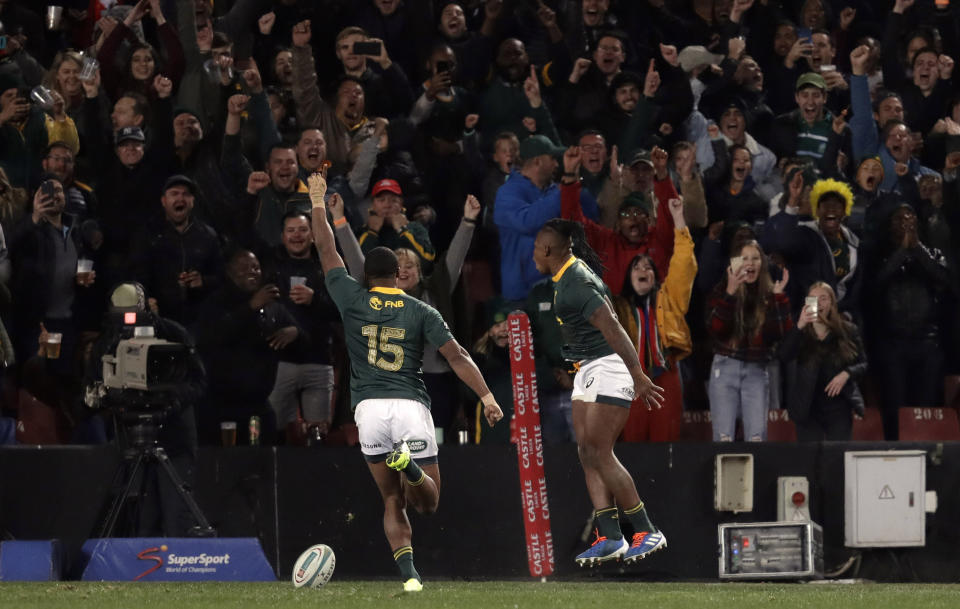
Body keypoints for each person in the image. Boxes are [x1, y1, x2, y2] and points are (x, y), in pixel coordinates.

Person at [307, 171, 502, 592]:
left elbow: (326, 248)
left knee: (391, 500)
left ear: (367, 276)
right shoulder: (420, 311)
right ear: (398, 274)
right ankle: (410, 466)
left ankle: (410, 576)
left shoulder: (351, 298)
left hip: (369, 412)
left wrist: (317, 201)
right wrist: (485, 395)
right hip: (411, 406)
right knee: (427, 502)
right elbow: (458, 356)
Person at [531, 217, 666, 567]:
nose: (533, 254)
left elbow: (614, 326)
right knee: (586, 452)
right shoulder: (564, 278)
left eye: (535, 249)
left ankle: (646, 529)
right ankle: (609, 536)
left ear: (548, 250)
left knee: (599, 451)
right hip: (585, 369)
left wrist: (637, 374)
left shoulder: (576, 281)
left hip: (609, 365)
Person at [613, 196, 697, 442]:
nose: (643, 270)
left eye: (648, 267)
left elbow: (684, 265)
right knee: (633, 443)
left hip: (665, 376)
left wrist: (679, 219)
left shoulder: (669, 299)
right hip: (629, 379)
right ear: (629, 277)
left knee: (666, 441)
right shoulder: (616, 307)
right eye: (637, 267)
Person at [706, 240, 792, 442]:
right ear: (735, 263)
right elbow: (716, 330)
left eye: (755, 258)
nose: (750, 263)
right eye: (745, 258)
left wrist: (779, 299)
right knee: (723, 438)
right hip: (725, 367)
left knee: (756, 438)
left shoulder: (771, 295)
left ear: (762, 263)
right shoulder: (721, 290)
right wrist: (730, 294)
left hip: (756, 370)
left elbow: (778, 336)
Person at [780, 282, 866, 442]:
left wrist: (847, 374)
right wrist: (800, 325)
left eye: (823, 298)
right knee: (809, 461)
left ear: (832, 303)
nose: (818, 303)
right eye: (813, 299)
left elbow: (863, 364)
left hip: (839, 407)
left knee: (838, 459)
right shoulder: (800, 332)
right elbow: (784, 356)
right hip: (807, 407)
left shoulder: (848, 330)